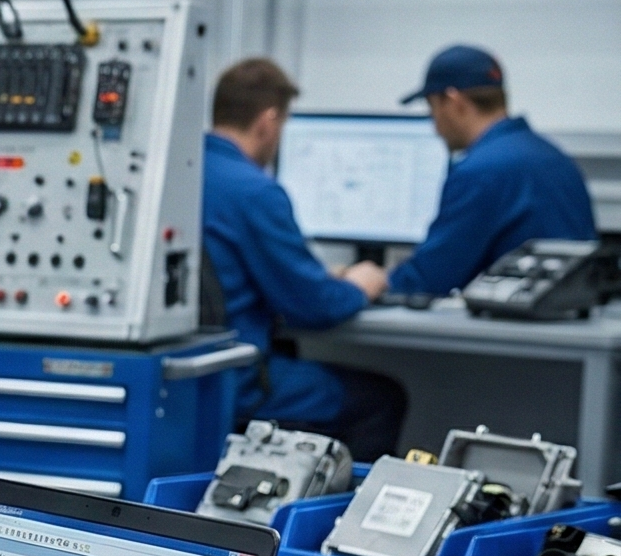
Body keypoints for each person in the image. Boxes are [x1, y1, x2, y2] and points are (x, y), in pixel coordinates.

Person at [200, 57, 406, 458]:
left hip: (192, 376)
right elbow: (314, 307)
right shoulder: (254, 191)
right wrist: (359, 285)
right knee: (382, 399)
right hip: (237, 383)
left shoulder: (179, 175)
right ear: (268, 121)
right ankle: (342, 520)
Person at [342, 45, 595, 303]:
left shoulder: (480, 170)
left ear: (453, 102)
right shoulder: (554, 157)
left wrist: (371, 280)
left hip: (508, 333)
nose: (434, 125)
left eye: (432, 109)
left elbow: (431, 279)